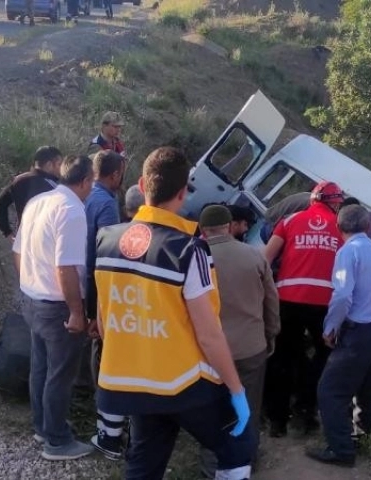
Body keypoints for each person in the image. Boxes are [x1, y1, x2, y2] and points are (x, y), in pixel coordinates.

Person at [94, 147, 254, 479]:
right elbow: (209, 336)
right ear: (183, 193)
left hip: (134, 382)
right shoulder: (189, 250)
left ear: (141, 184)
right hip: (184, 386)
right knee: (237, 449)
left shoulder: (105, 240)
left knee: (144, 463)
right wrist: (237, 390)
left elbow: (105, 320)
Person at [13, 154, 95, 461]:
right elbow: (66, 268)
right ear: (85, 181)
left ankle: (44, 426)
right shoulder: (72, 210)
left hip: (32, 299)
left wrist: (29, 282)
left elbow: (18, 250)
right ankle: (58, 441)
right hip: (57, 305)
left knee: (41, 368)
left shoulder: (39, 201)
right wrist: (76, 311)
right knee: (59, 374)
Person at [306, 205, 371, 467]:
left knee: (330, 391)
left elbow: (343, 295)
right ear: (368, 227)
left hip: (360, 329)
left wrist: (330, 328)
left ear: (338, 228)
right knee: (367, 389)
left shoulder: (348, 252)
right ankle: (361, 439)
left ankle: (341, 450)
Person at [198, 205, 281, 475]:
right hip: (250, 348)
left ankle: (211, 464)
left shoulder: (194, 258)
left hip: (206, 351)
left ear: (202, 229)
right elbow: (271, 301)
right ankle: (246, 460)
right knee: (247, 406)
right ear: (229, 226)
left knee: (210, 408)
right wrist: (270, 334)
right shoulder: (255, 257)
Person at [263, 181, 345, 438]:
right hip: (323, 302)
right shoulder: (341, 228)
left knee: (282, 357)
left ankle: (277, 421)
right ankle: (305, 413)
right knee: (322, 358)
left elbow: (265, 259)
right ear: (334, 202)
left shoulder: (289, 221)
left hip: (288, 298)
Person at [83, 150, 127, 460]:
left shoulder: (82, 196)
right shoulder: (108, 205)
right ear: (114, 175)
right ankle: (111, 429)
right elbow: (106, 257)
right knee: (107, 358)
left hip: (80, 284)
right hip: (98, 290)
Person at [0, 146, 63, 241]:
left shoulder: (19, 180)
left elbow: (0, 204)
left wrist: (7, 233)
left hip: (23, 242)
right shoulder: (53, 188)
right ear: (49, 165)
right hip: (45, 245)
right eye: (59, 164)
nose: (61, 169)